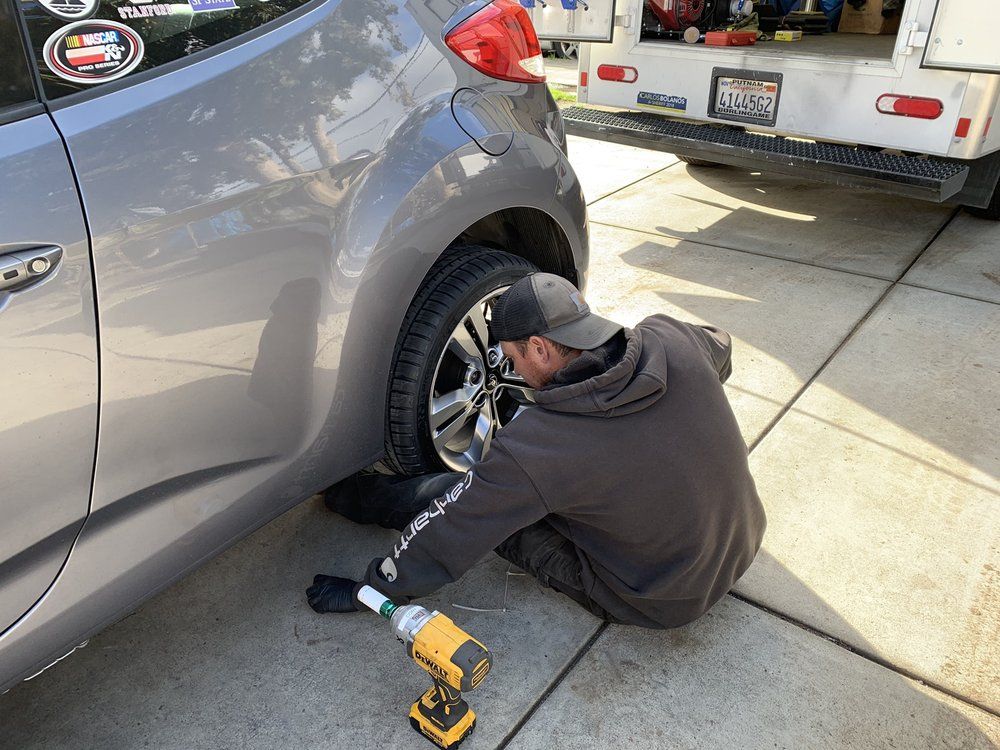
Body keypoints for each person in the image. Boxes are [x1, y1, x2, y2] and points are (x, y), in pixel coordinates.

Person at [306, 273, 765, 628]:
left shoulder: (541, 447)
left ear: (540, 349)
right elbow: (720, 351)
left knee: (455, 494)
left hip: (657, 598)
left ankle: (342, 494)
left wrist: (372, 591)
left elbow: (451, 529)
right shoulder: (672, 338)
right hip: (741, 543)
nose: (512, 371)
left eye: (512, 357)